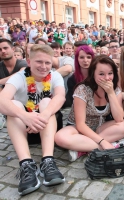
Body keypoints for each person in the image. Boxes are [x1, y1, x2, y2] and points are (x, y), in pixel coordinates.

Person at [0, 44, 66, 195]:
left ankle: (48, 161)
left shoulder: (55, 75)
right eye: (39, 62)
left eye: (47, 63)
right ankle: (26, 165)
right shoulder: (19, 77)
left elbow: (60, 97)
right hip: (23, 130)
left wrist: (42, 116)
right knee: (14, 105)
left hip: (48, 127)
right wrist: (25, 116)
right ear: (29, 62)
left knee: (47, 102)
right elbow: (1, 100)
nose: (44, 67)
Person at [55, 55, 124, 161]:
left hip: (100, 128)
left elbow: (119, 118)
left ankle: (83, 148)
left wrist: (110, 93)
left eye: (110, 73)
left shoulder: (115, 90)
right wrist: (102, 142)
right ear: (93, 74)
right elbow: (80, 125)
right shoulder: (83, 90)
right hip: (78, 129)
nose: (106, 78)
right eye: (101, 74)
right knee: (60, 137)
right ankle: (109, 145)